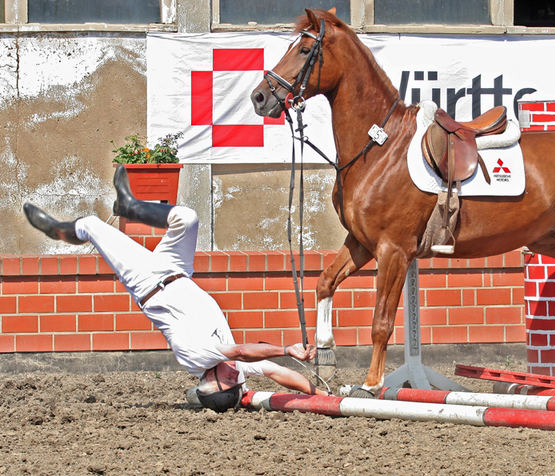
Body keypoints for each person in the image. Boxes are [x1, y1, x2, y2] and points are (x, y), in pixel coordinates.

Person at [23, 166, 329, 412]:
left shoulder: (197, 358)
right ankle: (130, 205)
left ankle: (58, 230)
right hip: (178, 272)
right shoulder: (228, 370)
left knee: (91, 224)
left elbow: (243, 351)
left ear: (214, 381)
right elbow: (278, 374)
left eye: (230, 380)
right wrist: (318, 395)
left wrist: (288, 350)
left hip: (147, 282)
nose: (235, 375)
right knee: (187, 218)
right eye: (237, 381)